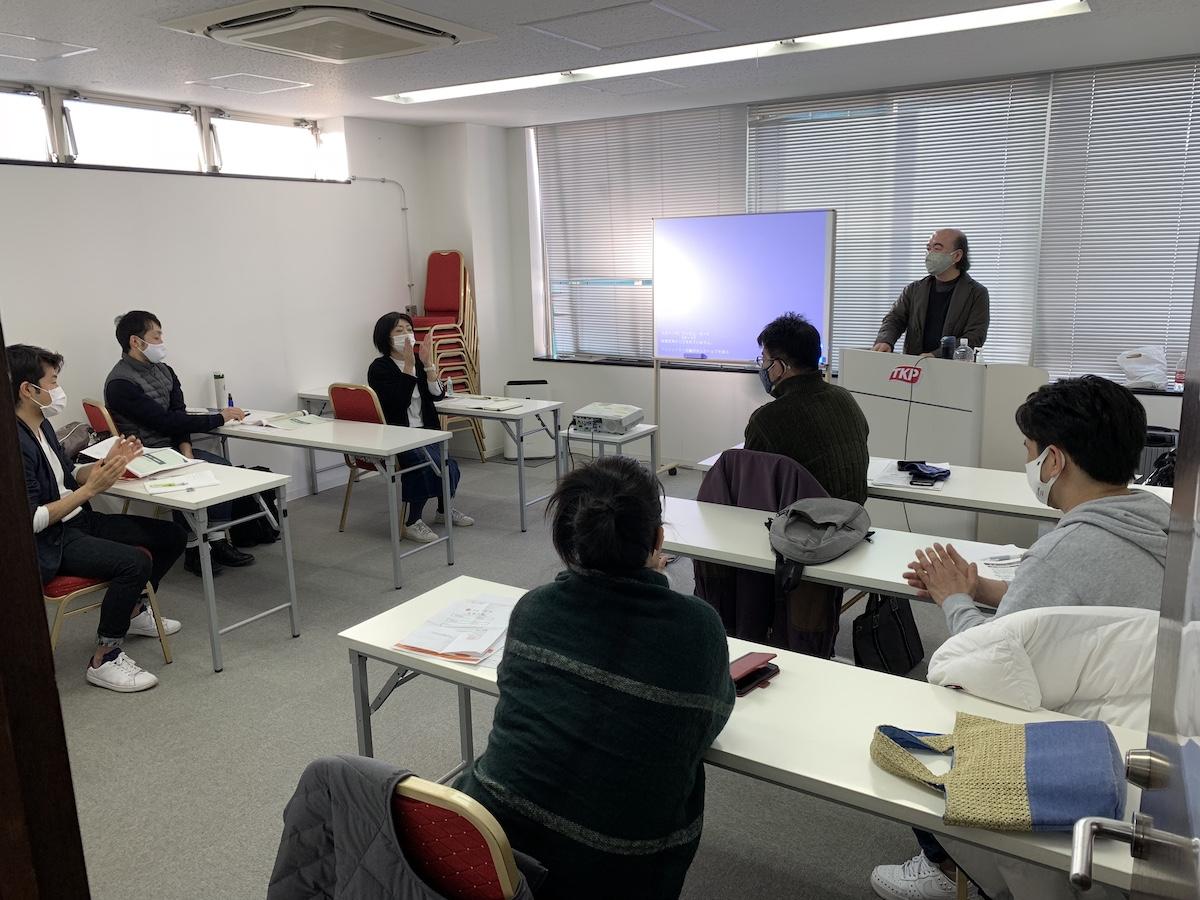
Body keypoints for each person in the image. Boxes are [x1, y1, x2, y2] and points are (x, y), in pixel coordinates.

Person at [871, 375, 1169, 900]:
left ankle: (946, 868)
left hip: (1078, 742)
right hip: (1155, 736)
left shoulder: (1061, 554)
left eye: (1029, 452)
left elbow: (987, 669)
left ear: (1053, 462)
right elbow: (1093, 609)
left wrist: (954, 600)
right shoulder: (1162, 524)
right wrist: (987, 587)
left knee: (928, 715)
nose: (1027, 464)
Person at [455, 457, 735, 900]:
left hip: (494, 850)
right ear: (659, 540)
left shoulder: (533, 610)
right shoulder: (698, 628)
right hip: (620, 872)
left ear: (570, 540)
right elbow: (707, 727)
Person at [11, 344, 187, 693]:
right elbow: (30, 520)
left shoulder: (42, 425)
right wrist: (92, 489)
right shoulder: (15, 442)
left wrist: (106, 466)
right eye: (53, 381)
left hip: (78, 520)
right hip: (51, 540)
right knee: (133, 563)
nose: (58, 389)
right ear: (28, 389)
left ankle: (134, 612)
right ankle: (105, 656)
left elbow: (65, 475)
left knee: (172, 536)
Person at [104, 310, 254, 575]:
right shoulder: (120, 383)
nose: (162, 342)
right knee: (198, 475)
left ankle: (217, 541)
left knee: (221, 467)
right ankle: (194, 549)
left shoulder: (165, 371)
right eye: (156, 336)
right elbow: (165, 422)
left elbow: (178, 415)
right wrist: (218, 418)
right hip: (144, 453)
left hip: (171, 448)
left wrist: (186, 450)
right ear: (136, 342)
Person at [367, 312, 473, 543]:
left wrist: (428, 365)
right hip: (399, 434)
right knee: (423, 466)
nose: (406, 334)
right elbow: (397, 402)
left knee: (449, 464)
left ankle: (444, 511)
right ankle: (411, 522)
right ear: (386, 337)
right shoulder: (380, 368)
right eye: (399, 331)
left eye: (408, 329)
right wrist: (408, 366)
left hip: (426, 430)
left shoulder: (418, 360)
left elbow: (437, 396)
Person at [745, 312, 870, 504]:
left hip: (800, 527)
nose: (763, 367)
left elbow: (749, 486)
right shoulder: (844, 397)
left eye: (765, 360)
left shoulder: (767, 419)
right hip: (853, 522)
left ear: (779, 366)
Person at [872, 229, 990, 355]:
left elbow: (975, 337)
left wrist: (937, 355)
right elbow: (894, 319)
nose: (930, 254)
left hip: (953, 368)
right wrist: (885, 340)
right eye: (928, 248)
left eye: (937, 248)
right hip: (913, 367)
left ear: (957, 256)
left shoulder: (976, 293)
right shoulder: (914, 289)